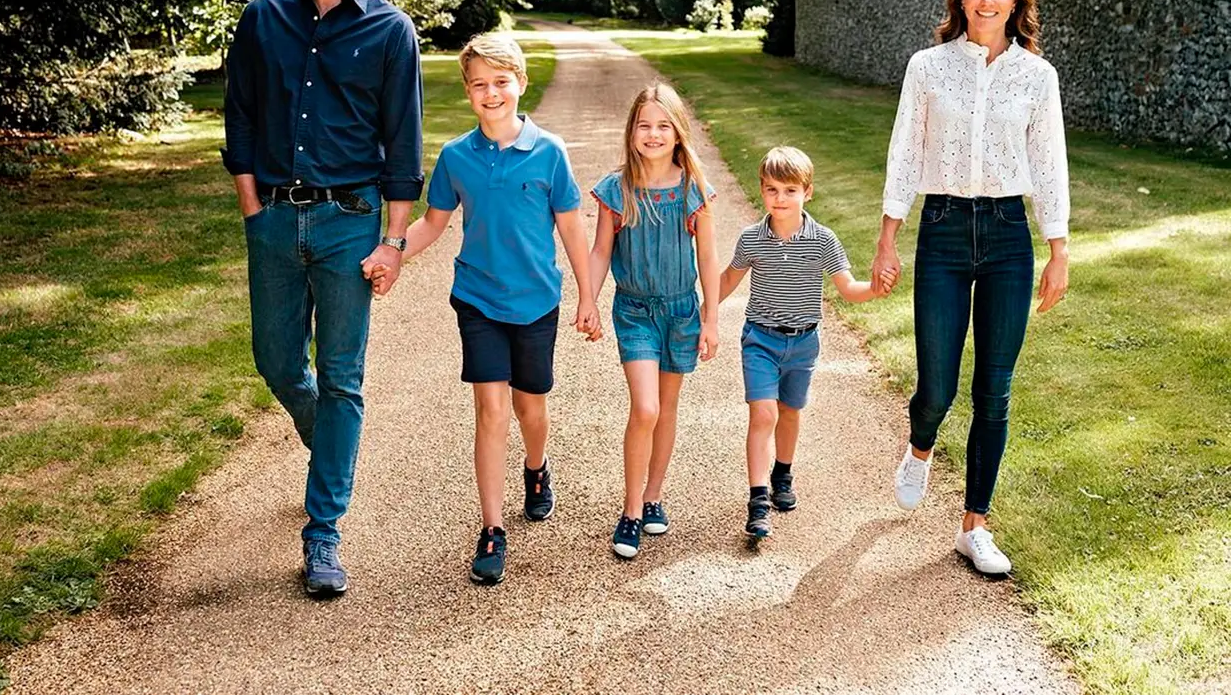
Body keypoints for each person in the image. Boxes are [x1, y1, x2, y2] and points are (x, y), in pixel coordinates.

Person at [222, 0, 423, 597]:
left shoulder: (392, 31)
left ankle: (324, 534)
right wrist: (253, 209)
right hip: (274, 218)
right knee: (276, 361)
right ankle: (327, 445)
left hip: (348, 224)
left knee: (342, 376)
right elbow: (238, 120)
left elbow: (403, 147)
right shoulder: (263, 20)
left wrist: (393, 241)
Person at [872, 0, 1070, 575]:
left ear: (1018, 1)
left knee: (995, 390)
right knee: (937, 387)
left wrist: (1057, 248)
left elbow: (1049, 164)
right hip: (944, 229)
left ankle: (974, 526)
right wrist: (887, 237)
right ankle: (921, 445)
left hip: (1010, 234)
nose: (988, 0)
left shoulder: (1037, 77)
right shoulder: (927, 67)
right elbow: (905, 151)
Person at [378, 33, 599, 585]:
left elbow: (572, 226)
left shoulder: (550, 152)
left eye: (502, 82)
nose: (491, 93)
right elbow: (434, 222)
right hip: (477, 299)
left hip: (536, 301)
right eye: (480, 84)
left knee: (531, 411)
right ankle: (493, 529)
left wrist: (588, 296)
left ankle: (536, 467)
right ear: (468, 92)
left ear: (521, 84)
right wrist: (394, 250)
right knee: (491, 412)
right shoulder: (456, 157)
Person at [716, 147, 893, 540]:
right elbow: (728, 279)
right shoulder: (751, 239)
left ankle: (782, 472)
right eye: (772, 190)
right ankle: (758, 500)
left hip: (803, 344)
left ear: (807, 193)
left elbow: (847, 288)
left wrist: (875, 290)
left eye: (790, 190)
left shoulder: (823, 241)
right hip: (760, 339)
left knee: (790, 412)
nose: (781, 199)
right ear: (761, 191)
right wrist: (703, 311)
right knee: (763, 415)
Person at [588, 84, 720, 560]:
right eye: (644, 124)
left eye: (663, 125)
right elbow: (601, 249)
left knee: (666, 408)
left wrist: (711, 318)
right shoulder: (616, 189)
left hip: (682, 311)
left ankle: (654, 494)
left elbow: (707, 255)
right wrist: (589, 298)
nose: (653, 133)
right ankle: (630, 511)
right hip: (636, 310)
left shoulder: (693, 190)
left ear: (678, 133)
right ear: (631, 131)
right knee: (644, 409)